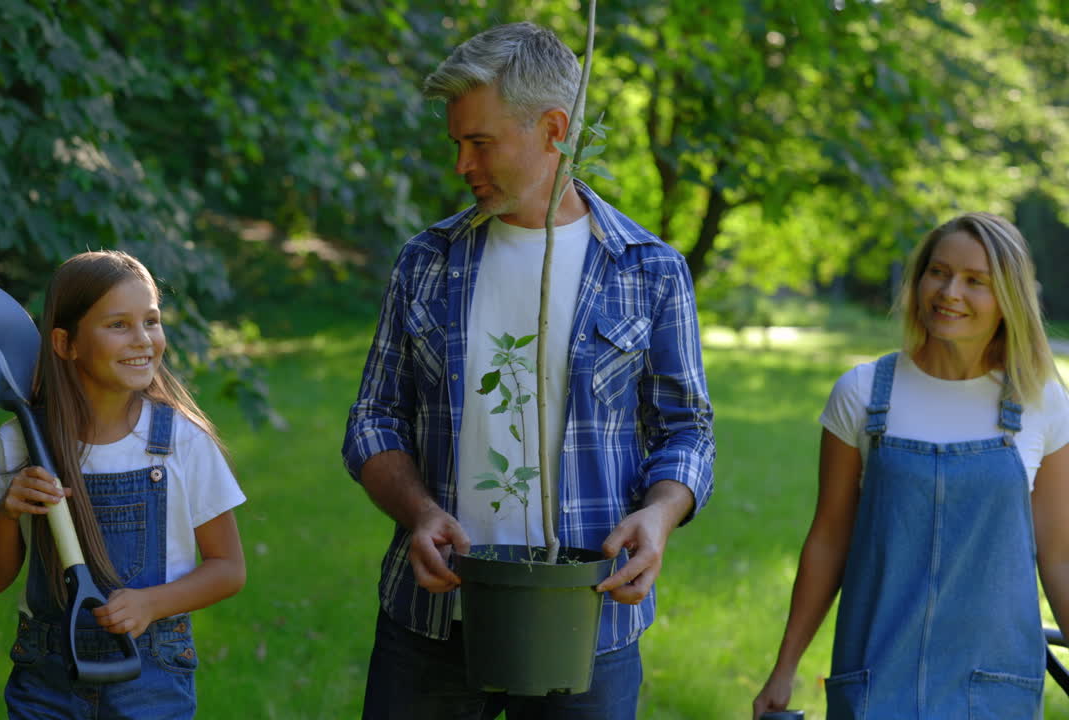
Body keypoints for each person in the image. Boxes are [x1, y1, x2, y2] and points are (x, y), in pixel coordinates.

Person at [341, 22, 716, 719]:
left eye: (480, 142)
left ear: (554, 131)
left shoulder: (648, 270)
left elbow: (686, 429)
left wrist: (660, 514)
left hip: (589, 615)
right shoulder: (425, 262)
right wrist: (420, 513)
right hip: (432, 620)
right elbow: (373, 419)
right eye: (456, 143)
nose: (461, 164)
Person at [752, 213, 1069, 719]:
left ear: (1008, 298)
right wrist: (785, 666)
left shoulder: (1041, 402)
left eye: (975, 281)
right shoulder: (861, 394)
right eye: (938, 272)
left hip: (994, 686)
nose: (950, 292)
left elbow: (1059, 558)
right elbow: (829, 540)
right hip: (877, 675)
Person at [0, 250, 247, 718]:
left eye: (151, 321)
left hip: (151, 677)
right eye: (118, 325)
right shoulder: (20, 443)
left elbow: (228, 569)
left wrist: (151, 604)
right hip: (46, 677)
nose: (142, 339)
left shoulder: (182, 442)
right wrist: (7, 513)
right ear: (65, 343)